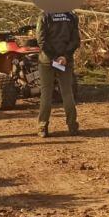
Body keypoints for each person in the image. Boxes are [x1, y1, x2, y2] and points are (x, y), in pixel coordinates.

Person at [35, 8, 80, 138]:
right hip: (65, 61)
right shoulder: (71, 16)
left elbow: (41, 40)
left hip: (47, 61)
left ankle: (43, 127)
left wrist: (54, 57)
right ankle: (72, 126)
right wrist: (64, 56)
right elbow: (76, 40)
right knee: (67, 93)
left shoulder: (44, 16)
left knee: (46, 94)